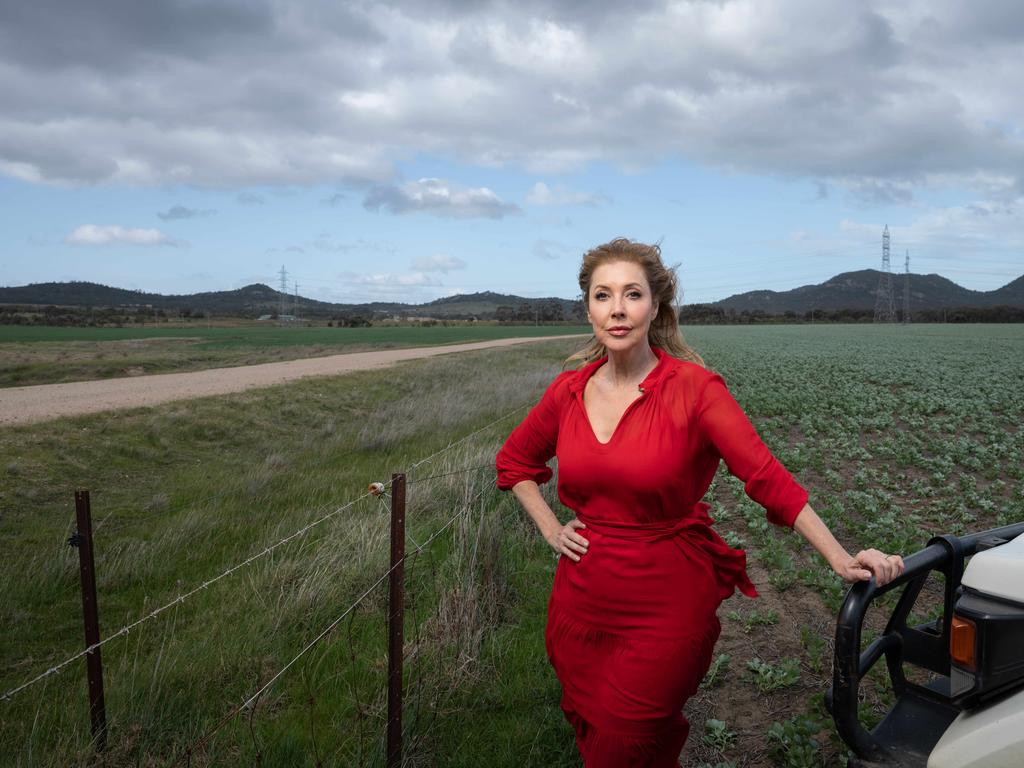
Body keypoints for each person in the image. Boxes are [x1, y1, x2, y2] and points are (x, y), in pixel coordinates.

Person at [495, 238, 905, 767]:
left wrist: (839, 556)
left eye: (632, 294)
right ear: (588, 307)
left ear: (656, 305)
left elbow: (765, 476)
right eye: (603, 295)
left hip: (664, 608)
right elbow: (514, 463)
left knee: (624, 742)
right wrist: (552, 529)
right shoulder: (568, 392)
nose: (617, 308)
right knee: (594, 731)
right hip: (579, 607)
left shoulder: (695, 390)